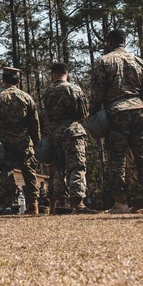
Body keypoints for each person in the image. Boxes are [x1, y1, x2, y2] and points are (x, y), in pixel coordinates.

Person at [88, 29, 143, 214]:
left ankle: (121, 203)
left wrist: (93, 114)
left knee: (117, 159)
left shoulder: (103, 62)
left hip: (117, 113)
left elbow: (97, 93)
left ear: (109, 42)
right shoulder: (140, 62)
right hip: (140, 111)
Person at [0, 67, 41, 215]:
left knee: (6, 172)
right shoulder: (26, 97)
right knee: (29, 171)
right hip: (23, 140)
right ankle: (33, 203)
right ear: (19, 82)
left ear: (3, 81)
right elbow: (34, 122)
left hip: (3, 141)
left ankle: (7, 204)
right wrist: (37, 140)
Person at [40, 63, 94, 214]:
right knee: (76, 166)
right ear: (67, 74)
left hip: (54, 134)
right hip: (73, 132)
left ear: (53, 75)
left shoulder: (46, 92)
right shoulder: (74, 89)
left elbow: (44, 116)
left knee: (58, 168)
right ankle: (77, 202)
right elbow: (83, 112)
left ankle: (61, 202)